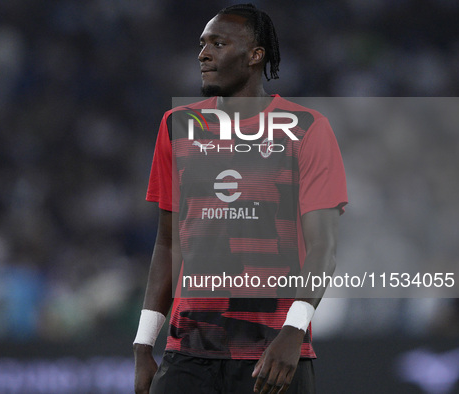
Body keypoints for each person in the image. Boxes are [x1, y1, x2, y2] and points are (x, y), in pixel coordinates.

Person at [134, 4, 347, 393]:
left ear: (255, 55)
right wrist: (144, 342)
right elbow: (167, 243)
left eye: (218, 43)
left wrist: (294, 331)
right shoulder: (178, 126)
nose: (203, 53)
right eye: (202, 44)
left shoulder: (307, 129)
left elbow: (323, 247)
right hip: (188, 354)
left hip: (273, 355)